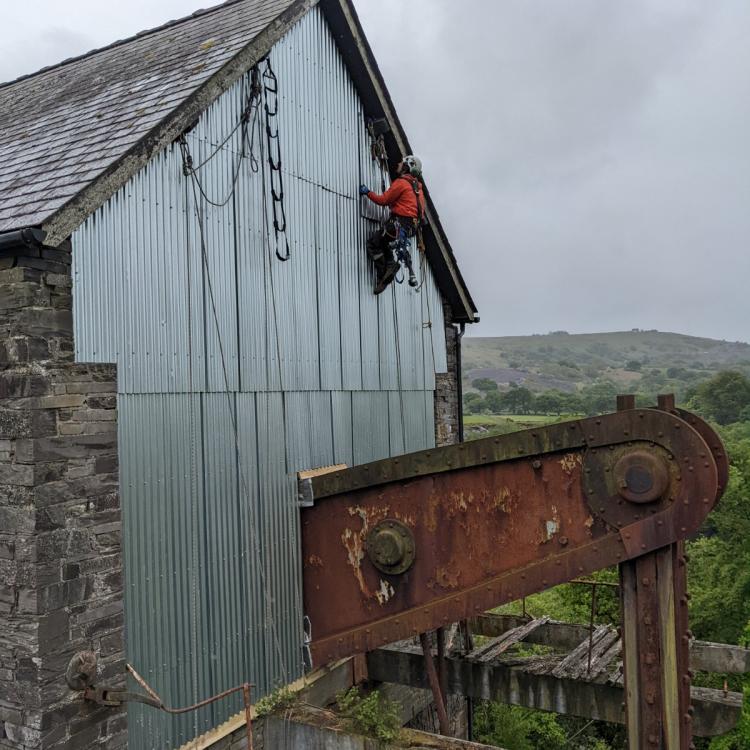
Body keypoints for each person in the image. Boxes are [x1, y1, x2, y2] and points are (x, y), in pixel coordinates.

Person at [359, 155, 426, 294]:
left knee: (373, 242)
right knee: (383, 242)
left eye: (402, 162)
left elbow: (383, 200)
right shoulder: (418, 190)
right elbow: (420, 213)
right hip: (410, 228)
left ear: (407, 166)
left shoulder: (401, 183)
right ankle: (390, 265)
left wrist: (368, 192)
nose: (398, 163)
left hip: (398, 224)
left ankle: (383, 273)